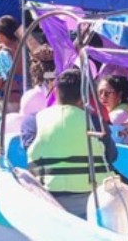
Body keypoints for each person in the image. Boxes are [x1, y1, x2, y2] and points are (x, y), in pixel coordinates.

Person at [27, 68, 115, 217]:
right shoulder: (96, 122)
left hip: (49, 197)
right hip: (93, 199)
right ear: (84, 98)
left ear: (56, 92)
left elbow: (28, 150)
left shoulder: (32, 122)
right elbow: (111, 156)